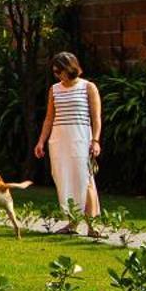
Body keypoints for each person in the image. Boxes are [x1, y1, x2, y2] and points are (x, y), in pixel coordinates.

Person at [33, 50, 102, 227]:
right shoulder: (54, 89)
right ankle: (72, 223)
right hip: (59, 140)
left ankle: (92, 225)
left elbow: (96, 118)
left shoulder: (88, 87)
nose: (57, 75)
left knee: (85, 180)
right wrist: (41, 141)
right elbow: (49, 118)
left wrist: (95, 141)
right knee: (64, 179)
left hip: (80, 138)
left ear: (70, 68)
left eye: (59, 71)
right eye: (55, 72)